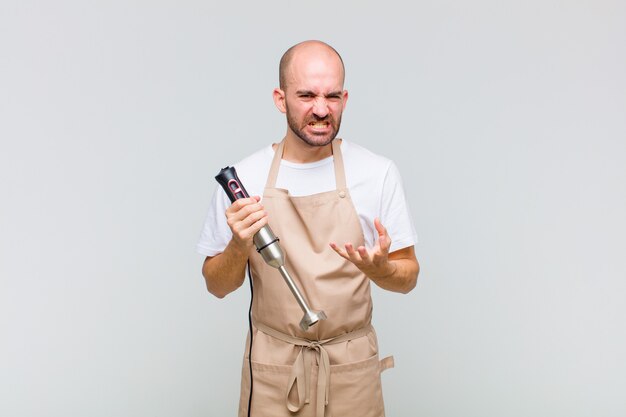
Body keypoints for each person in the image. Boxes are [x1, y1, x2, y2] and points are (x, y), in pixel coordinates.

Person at [197, 40, 420, 417]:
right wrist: (239, 245)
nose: (321, 109)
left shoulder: (376, 172)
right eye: (306, 95)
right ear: (280, 99)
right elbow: (216, 286)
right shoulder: (244, 180)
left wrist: (382, 270)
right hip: (275, 372)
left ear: (345, 98)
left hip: (350, 370)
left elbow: (409, 276)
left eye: (332, 96)